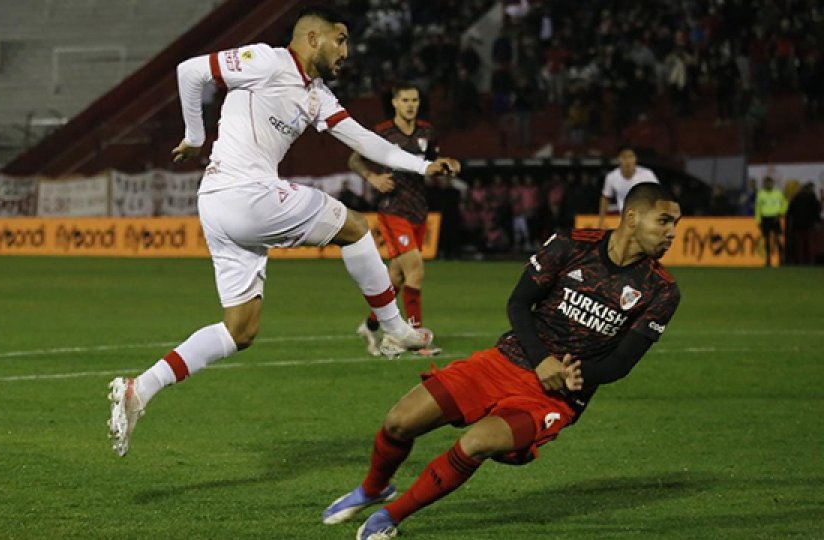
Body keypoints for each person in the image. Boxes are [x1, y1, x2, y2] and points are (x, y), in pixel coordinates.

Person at [107, 7, 461, 457]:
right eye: (341, 39)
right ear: (313, 37)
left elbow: (364, 141)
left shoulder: (317, 95)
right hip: (242, 193)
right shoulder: (267, 60)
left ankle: (141, 388)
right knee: (354, 227)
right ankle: (394, 328)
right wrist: (195, 136)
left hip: (219, 205)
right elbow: (190, 71)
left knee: (241, 329)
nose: (347, 52)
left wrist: (423, 165)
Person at [323, 182, 682, 539]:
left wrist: (577, 374)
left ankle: (391, 517)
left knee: (475, 444)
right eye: (664, 221)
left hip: (554, 396)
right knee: (399, 422)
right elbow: (518, 304)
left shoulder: (661, 290)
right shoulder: (570, 245)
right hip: (503, 362)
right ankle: (373, 489)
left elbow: (622, 363)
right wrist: (543, 359)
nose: (671, 233)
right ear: (632, 217)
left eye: (675, 225)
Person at [350, 82, 442, 357]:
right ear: (395, 103)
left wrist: (445, 167)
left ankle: (371, 325)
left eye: (414, 100)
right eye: (405, 100)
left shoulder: (427, 131)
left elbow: (432, 163)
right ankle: (413, 336)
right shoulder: (382, 132)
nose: (411, 105)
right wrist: (373, 178)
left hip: (418, 210)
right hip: (392, 210)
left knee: (397, 277)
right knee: (416, 270)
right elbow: (354, 160)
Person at [597, 147, 659, 228]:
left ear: (635, 159)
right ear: (618, 159)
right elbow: (605, 198)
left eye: (630, 157)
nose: (627, 161)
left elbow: (658, 194)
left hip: (645, 217)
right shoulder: (612, 177)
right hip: (624, 218)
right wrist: (601, 221)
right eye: (624, 157)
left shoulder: (647, 175)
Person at [754, 176, 787, 266]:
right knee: (766, 240)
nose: (768, 184)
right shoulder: (760, 194)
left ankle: (781, 259)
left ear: (772, 183)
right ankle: (768, 260)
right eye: (766, 183)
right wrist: (758, 220)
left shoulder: (778, 193)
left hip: (775, 218)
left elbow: (785, 204)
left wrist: (780, 213)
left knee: (777, 238)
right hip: (765, 218)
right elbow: (758, 208)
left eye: (769, 183)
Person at [785, 182, 821, 265]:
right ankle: (810, 261)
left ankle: (801, 261)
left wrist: (791, 223)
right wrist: (817, 221)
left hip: (799, 224)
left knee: (800, 245)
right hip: (808, 225)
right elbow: (817, 211)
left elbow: (790, 212)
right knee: (808, 244)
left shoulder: (796, 198)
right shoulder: (812, 198)